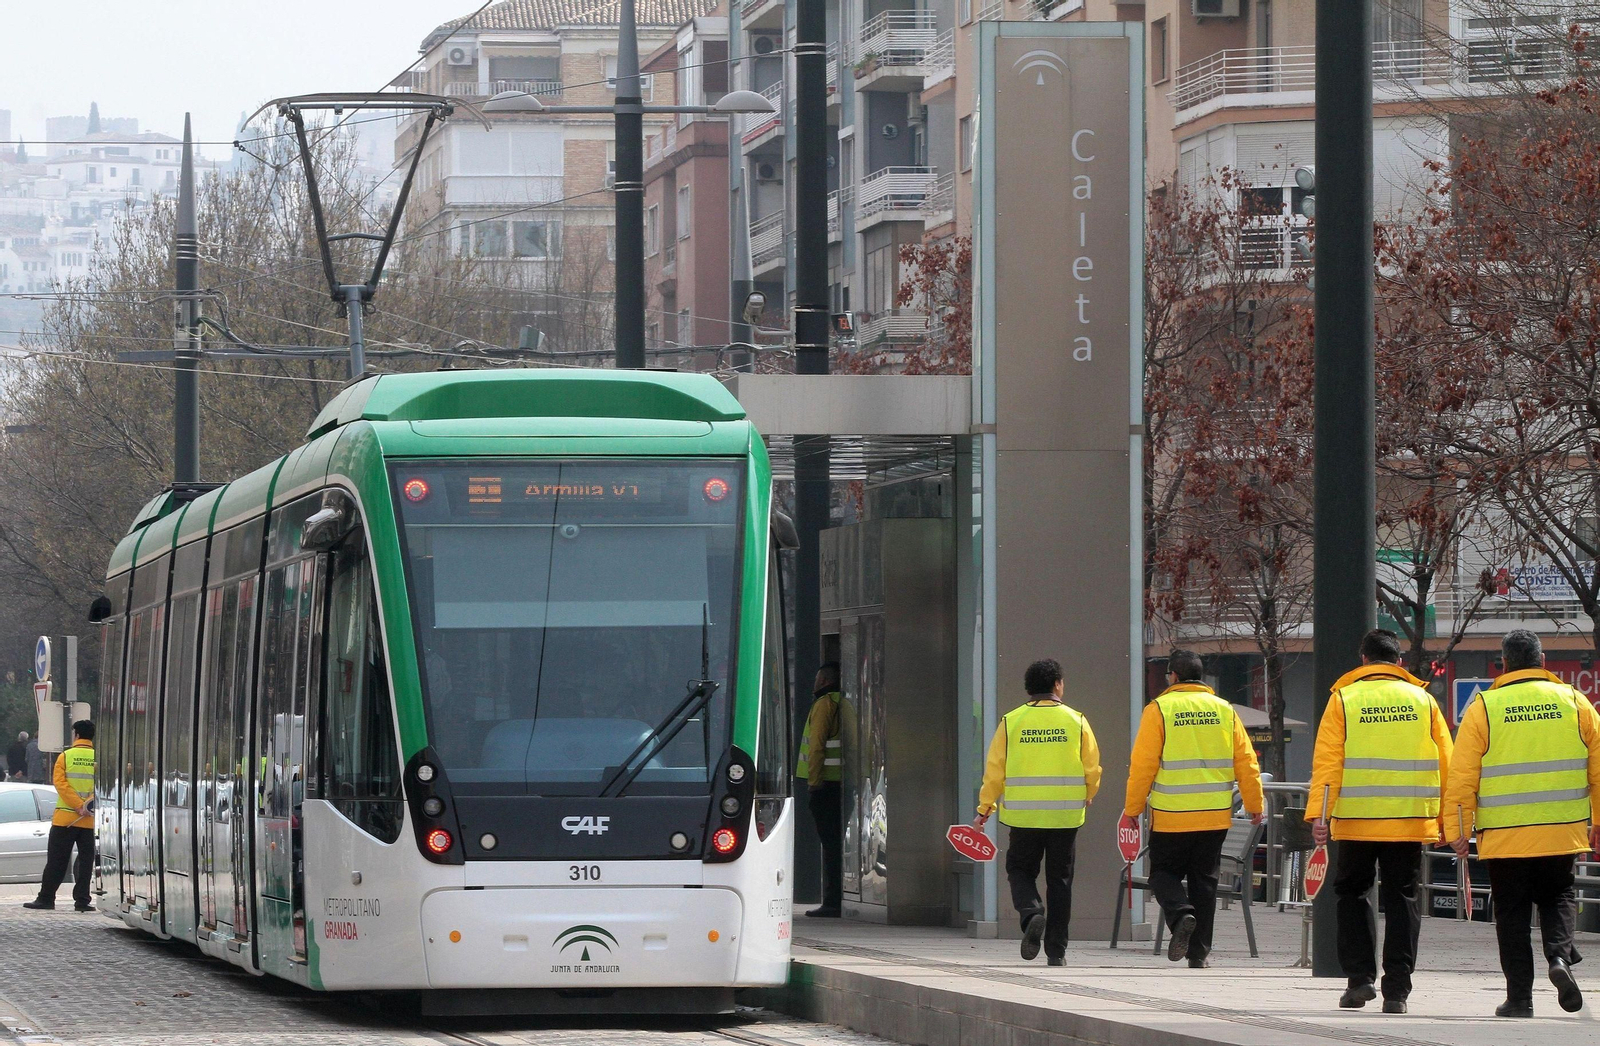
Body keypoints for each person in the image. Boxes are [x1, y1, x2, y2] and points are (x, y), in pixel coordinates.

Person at [1445, 629, 1600, 1018]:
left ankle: (1519, 1000)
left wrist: (1458, 831)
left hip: (1504, 834)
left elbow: (1462, 776)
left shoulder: (1484, 707)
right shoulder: (1575, 701)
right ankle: (1560, 958)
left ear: (1504, 664)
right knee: (1559, 896)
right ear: (1543, 661)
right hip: (1561, 828)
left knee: (1511, 914)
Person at [1305, 629, 1452, 1015]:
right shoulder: (1423, 700)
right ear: (1399, 662)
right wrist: (1447, 820)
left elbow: (1327, 764)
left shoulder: (1344, 700)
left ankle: (1359, 980)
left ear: (1364, 659)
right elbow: (1446, 762)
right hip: (1408, 821)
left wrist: (1319, 816)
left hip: (1356, 820)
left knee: (1353, 895)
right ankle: (1397, 993)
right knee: (1402, 899)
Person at [1121, 649, 1264, 968]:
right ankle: (1198, 954)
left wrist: (1132, 808)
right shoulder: (1224, 710)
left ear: (1172, 676)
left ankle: (1181, 914)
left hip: (1171, 816)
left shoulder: (1159, 709)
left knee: (1162, 875)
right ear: (1202, 677)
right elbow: (1246, 762)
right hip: (1213, 817)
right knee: (1205, 882)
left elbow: (1143, 766)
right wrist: (1255, 805)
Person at [973, 658, 1101, 966]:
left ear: (1029, 688)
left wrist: (984, 808)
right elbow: (1092, 767)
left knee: (1019, 871)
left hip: (1023, 817)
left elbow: (994, 771)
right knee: (1060, 881)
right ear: (1057, 684)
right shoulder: (1077, 720)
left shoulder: (1011, 721)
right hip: (1065, 817)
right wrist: (1089, 794)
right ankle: (1056, 952)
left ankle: (1031, 913)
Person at [24, 720, 96, 913]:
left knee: (57, 860)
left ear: (77, 735)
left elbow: (60, 784)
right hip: (90, 820)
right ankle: (82, 901)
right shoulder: (99, 759)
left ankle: (46, 898)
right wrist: (87, 804)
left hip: (65, 820)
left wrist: (77, 805)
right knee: (86, 862)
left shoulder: (65, 756)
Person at [796, 662, 843, 918]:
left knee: (830, 844)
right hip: (837, 785)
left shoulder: (824, 704)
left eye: (817, 678)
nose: (813, 683)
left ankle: (833, 901)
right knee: (834, 843)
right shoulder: (839, 702)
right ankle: (836, 899)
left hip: (825, 785)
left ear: (824, 680)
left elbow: (816, 748)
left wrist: (814, 781)